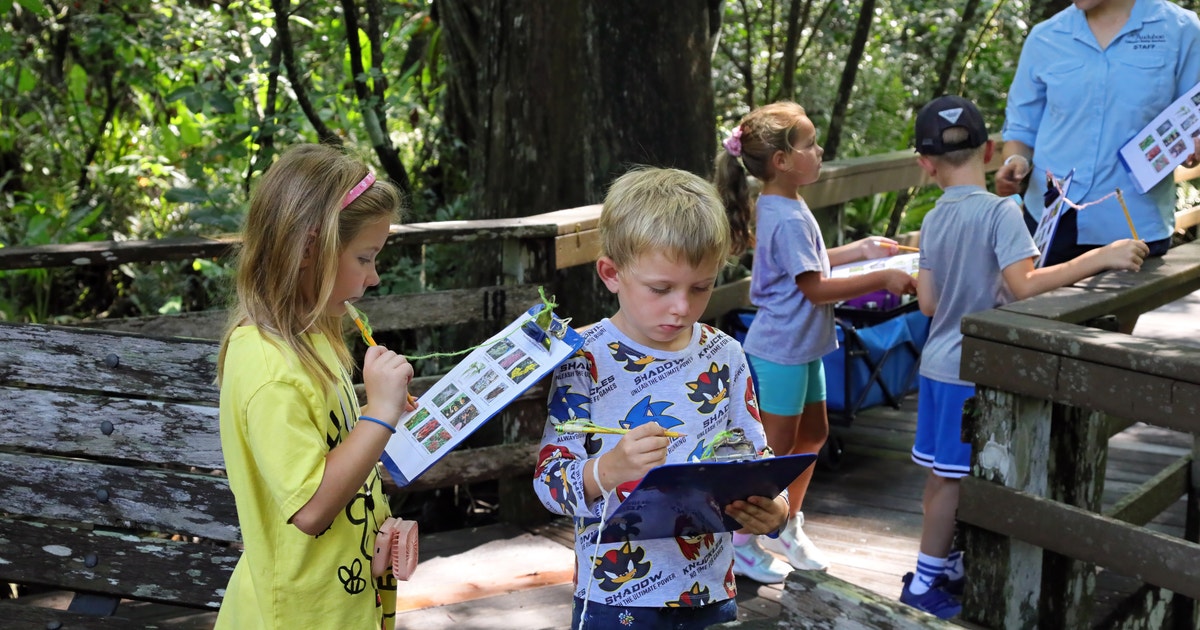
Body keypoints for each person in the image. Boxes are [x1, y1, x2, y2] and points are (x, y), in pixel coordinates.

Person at [907, 94, 1148, 619]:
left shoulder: (933, 218)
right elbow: (1024, 287)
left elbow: (927, 302)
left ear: (925, 163)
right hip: (971, 368)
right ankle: (924, 584)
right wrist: (1099, 257)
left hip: (935, 362)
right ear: (990, 150)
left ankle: (941, 563)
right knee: (952, 480)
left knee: (940, 475)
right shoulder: (1001, 210)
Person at [532, 167, 790, 629]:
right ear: (611, 273)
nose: (682, 307)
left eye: (701, 287)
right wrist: (607, 470)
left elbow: (756, 458)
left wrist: (776, 510)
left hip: (712, 590)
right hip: (613, 598)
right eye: (660, 288)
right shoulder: (582, 357)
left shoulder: (725, 354)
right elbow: (550, 482)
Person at [713, 101, 917, 578]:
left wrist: (861, 251)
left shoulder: (787, 203)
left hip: (804, 347)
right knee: (774, 453)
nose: (819, 150)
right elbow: (815, 287)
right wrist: (880, 277)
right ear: (782, 161)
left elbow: (811, 264)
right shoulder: (782, 213)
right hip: (780, 350)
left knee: (813, 435)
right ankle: (742, 543)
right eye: (809, 144)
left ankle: (786, 523)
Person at [215, 143, 415, 629]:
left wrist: (382, 417)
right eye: (365, 258)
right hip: (298, 615)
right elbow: (310, 507)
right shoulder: (268, 368)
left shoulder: (314, 335)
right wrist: (379, 415)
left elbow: (332, 453)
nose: (374, 277)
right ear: (309, 249)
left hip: (342, 600)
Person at [995, 0, 1200, 268]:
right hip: (1052, 220)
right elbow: (1021, 130)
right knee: (1042, 309)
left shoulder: (1181, 30)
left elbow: (1192, 118)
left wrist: (1192, 147)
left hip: (1134, 223)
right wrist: (1015, 163)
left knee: (1118, 311)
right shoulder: (1045, 36)